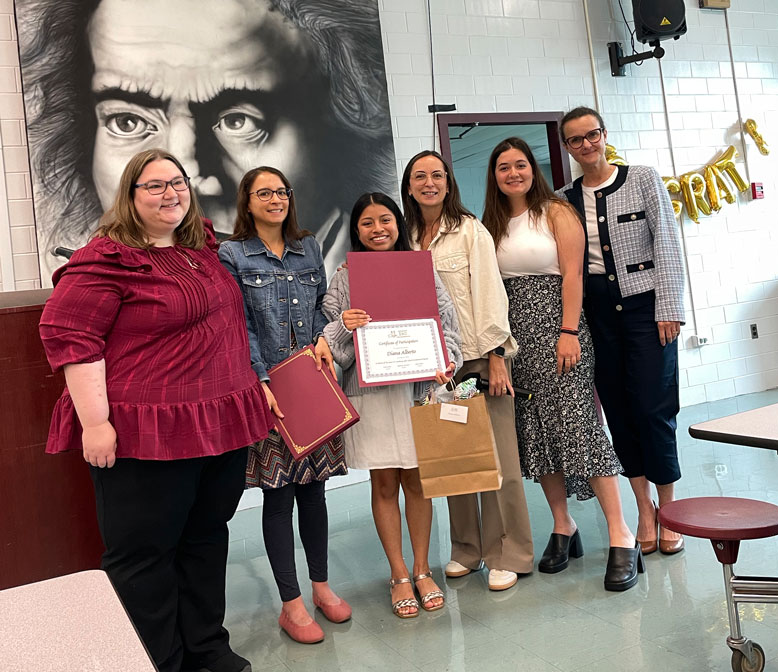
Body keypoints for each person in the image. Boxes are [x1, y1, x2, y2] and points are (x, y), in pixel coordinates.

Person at [38, 149, 273, 672]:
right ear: (130, 195)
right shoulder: (107, 258)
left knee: (206, 539)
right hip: (145, 434)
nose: (171, 193)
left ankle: (206, 648)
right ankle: (158, 661)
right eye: (155, 185)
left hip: (218, 425)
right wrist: (95, 424)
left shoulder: (198, 245)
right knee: (144, 558)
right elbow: (69, 335)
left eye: (178, 182)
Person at [18, 0, 395, 277]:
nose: (187, 181)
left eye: (238, 120)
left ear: (336, 121)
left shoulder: (373, 278)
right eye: (128, 121)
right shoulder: (97, 284)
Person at [483, 137, 642, 591]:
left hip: (560, 330)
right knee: (535, 432)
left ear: (532, 169)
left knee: (579, 426)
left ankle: (621, 533)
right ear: (494, 176)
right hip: (516, 340)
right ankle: (562, 524)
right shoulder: (491, 223)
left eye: (520, 165)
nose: (513, 173)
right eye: (503, 167)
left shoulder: (555, 211)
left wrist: (568, 331)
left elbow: (573, 275)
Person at [218, 167, 349, 645]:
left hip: (311, 381)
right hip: (271, 388)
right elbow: (239, 325)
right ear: (247, 201)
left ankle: (321, 586)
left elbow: (316, 308)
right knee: (279, 496)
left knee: (315, 492)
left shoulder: (308, 246)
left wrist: (323, 339)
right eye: (265, 193)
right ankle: (290, 605)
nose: (276, 199)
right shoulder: (232, 254)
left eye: (282, 192)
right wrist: (259, 379)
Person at [321, 192, 462, 617]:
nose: (377, 229)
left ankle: (422, 569)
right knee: (383, 483)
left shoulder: (421, 268)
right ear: (356, 230)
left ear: (398, 223)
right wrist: (343, 326)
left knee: (418, 481)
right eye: (367, 222)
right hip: (372, 395)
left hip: (414, 392)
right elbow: (332, 345)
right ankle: (399, 573)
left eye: (385, 219)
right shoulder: (344, 277)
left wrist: (446, 359)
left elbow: (447, 324)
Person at [401, 150, 534, 591]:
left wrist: (497, 354)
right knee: (453, 456)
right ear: (408, 186)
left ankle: (507, 552)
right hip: (436, 366)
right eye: (420, 176)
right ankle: (466, 549)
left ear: (448, 182)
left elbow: (491, 293)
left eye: (437, 175)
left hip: (478, 357)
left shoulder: (470, 231)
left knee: (498, 460)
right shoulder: (406, 237)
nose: (429, 183)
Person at [557, 107, 685, 556]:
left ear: (604, 135)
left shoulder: (643, 178)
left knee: (654, 408)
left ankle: (670, 509)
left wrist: (668, 307)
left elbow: (667, 243)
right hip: (598, 317)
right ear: (567, 148)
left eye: (592, 135)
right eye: (576, 140)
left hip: (647, 310)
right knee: (619, 411)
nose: (586, 145)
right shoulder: (563, 199)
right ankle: (644, 510)